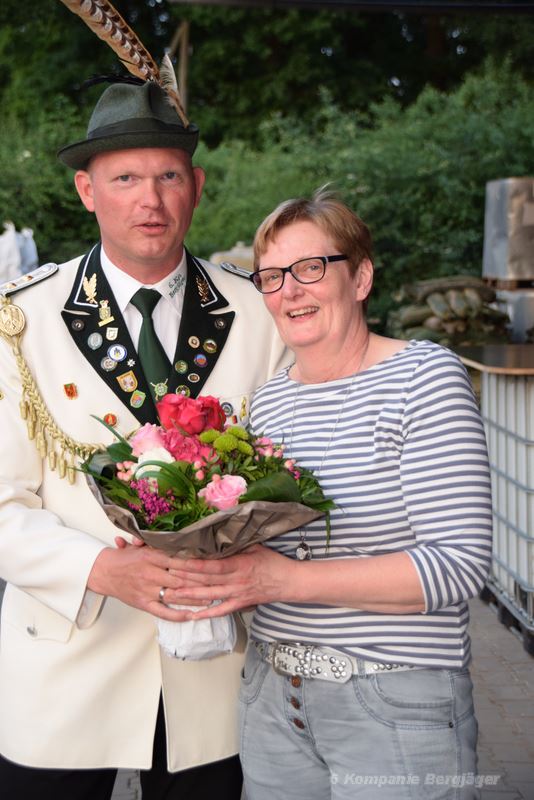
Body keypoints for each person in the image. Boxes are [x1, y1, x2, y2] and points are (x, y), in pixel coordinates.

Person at [0, 79, 289, 800]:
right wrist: (102, 568)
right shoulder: (21, 322)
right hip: (67, 659)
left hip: (214, 672)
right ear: (86, 190)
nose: (150, 200)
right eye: (125, 178)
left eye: (168, 177)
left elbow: (291, 475)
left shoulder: (260, 311)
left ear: (196, 186)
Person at [172, 189, 493, 799]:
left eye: (311, 268)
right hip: (272, 699)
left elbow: (458, 565)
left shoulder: (422, 379)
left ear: (361, 277)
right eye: (271, 276)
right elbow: (261, 542)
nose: (289, 290)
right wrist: (186, 543)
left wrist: (281, 581)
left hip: (392, 700)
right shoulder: (269, 402)